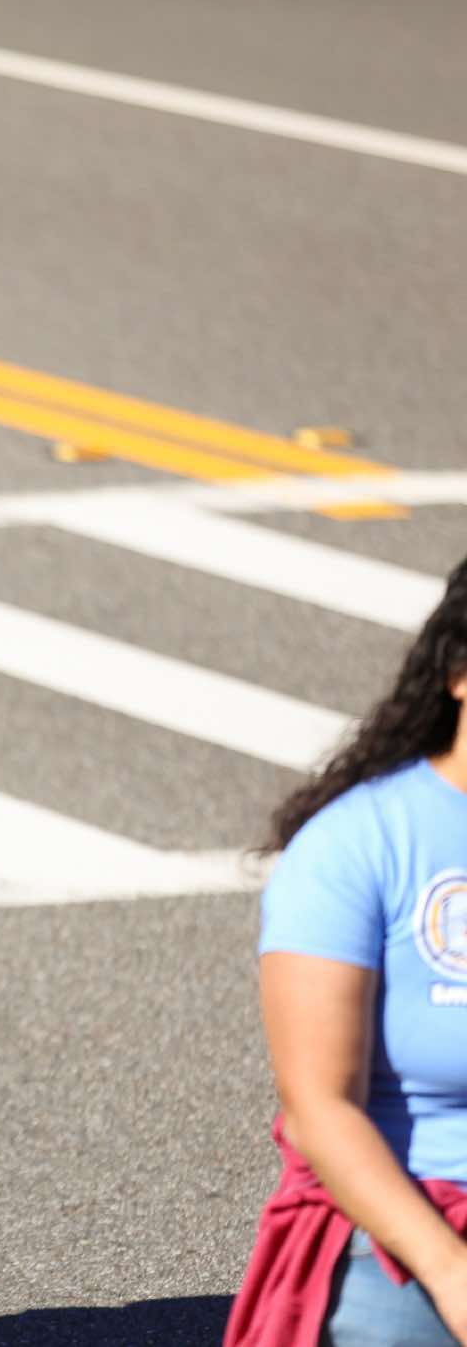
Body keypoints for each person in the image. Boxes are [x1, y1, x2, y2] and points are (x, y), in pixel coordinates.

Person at [227, 559, 467, 1346]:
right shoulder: (355, 843)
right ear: (458, 675)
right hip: (411, 1230)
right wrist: (452, 1272)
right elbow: (318, 1107)